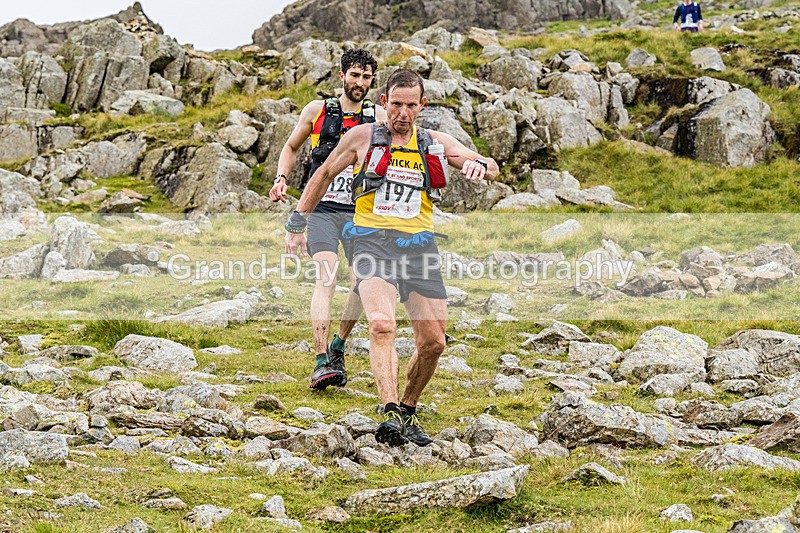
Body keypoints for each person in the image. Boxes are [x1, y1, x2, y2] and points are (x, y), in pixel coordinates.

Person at [284, 69, 499, 446]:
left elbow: (491, 167)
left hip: (419, 248)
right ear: (384, 103)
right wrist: (297, 221)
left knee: (433, 343)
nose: (403, 113)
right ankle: (388, 413)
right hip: (371, 243)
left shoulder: (434, 141)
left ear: (422, 105)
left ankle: (407, 410)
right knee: (382, 325)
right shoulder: (362, 137)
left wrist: (479, 165)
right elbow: (322, 174)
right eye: (396, 104)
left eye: (411, 106)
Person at [270, 48, 386, 391]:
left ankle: (338, 345)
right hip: (321, 210)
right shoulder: (317, 110)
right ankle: (321, 361)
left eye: (366, 78)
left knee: (362, 283)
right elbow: (291, 147)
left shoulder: (379, 115)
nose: (360, 83)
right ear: (341, 76)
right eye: (355, 76)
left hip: (361, 210)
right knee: (327, 278)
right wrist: (281, 178)